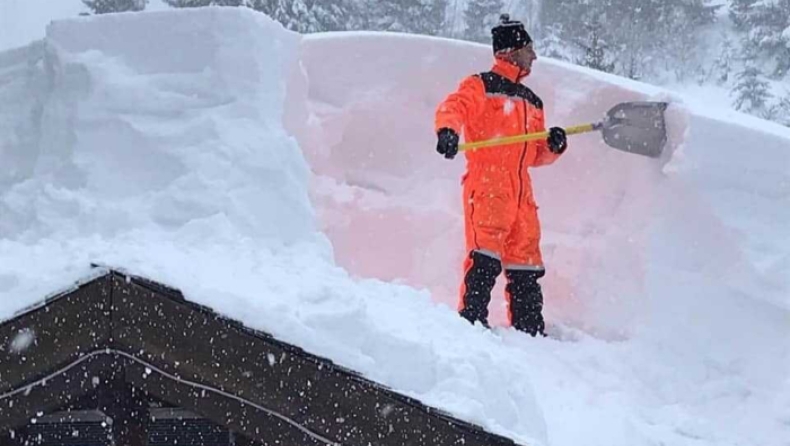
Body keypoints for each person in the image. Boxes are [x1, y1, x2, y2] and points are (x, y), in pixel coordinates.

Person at [434, 14, 567, 337]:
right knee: (485, 260)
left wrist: (553, 146)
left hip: (523, 198)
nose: (534, 56)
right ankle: (470, 327)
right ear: (511, 51)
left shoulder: (532, 101)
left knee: (527, 268)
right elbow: (454, 107)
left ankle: (529, 332)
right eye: (529, 49)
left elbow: (534, 155)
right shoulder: (481, 85)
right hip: (489, 187)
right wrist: (448, 131)